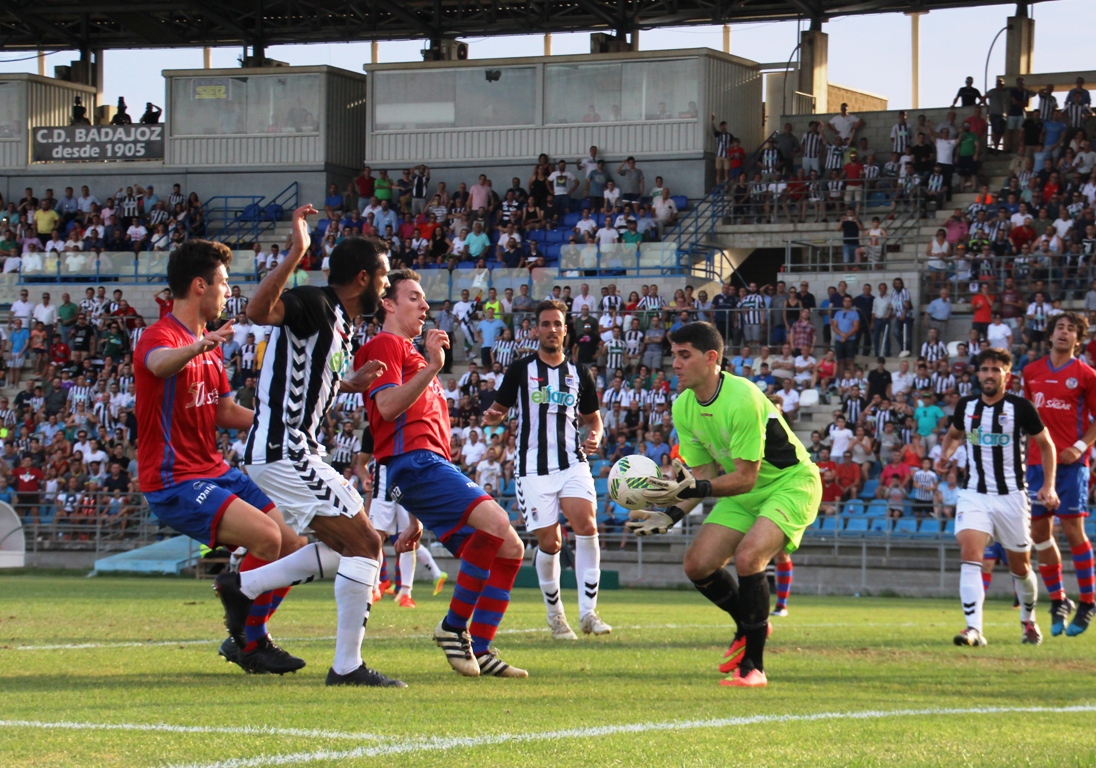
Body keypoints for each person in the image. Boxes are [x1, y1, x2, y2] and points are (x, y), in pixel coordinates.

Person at [214, 204, 404, 688]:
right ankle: (346, 668)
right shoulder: (315, 303)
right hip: (285, 449)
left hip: (295, 449)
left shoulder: (339, 321)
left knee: (349, 550)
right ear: (363, 277)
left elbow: (305, 377)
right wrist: (298, 251)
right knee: (366, 543)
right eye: (383, 277)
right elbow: (257, 311)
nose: (385, 287)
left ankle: (244, 586)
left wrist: (349, 382)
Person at [134, 237, 308, 675]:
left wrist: (284, 427)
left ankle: (248, 638)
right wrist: (199, 347)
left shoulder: (208, 344)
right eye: (223, 283)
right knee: (267, 540)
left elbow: (225, 411)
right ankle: (251, 641)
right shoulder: (162, 336)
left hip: (214, 469)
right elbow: (158, 366)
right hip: (174, 480)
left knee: (293, 544)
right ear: (198, 286)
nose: (228, 291)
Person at [625, 322, 821, 687]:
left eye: (685, 355)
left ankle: (754, 667)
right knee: (697, 564)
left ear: (712, 358)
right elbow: (702, 476)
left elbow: (742, 476)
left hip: (790, 484)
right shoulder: (684, 405)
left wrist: (683, 493)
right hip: (741, 491)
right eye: (674, 355)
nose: (676, 364)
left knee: (749, 557)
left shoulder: (742, 397)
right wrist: (669, 514)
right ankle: (751, 623)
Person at [362, 269, 528, 678]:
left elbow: (421, 429)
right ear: (388, 303)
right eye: (414, 297)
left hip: (427, 467)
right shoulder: (386, 345)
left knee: (511, 548)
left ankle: (482, 648)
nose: (424, 306)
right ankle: (453, 627)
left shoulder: (417, 359)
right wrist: (434, 367)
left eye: (424, 299)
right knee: (496, 521)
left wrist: (415, 519)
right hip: (413, 463)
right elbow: (386, 410)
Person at [483, 300, 611, 640]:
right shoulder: (520, 370)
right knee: (550, 542)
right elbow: (498, 408)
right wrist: (493, 417)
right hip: (532, 468)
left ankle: (589, 613)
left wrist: (595, 434)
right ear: (536, 330)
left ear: (566, 330)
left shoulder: (579, 373)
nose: (552, 329)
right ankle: (556, 617)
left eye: (557, 323)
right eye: (545, 324)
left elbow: (592, 418)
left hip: (572, 461)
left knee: (587, 525)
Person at [935, 347, 1058, 648]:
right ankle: (973, 629)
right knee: (970, 554)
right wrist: (944, 456)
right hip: (974, 493)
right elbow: (953, 435)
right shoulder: (966, 406)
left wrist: (1049, 485)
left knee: (1021, 568)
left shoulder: (1021, 408)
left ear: (1007, 375)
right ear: (977, 374)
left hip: (1012, 498)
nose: (989, 375)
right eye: (984, 369)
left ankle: (1028, 620)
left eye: (995, 370)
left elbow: (1047, 445)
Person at [1022, 313, 1096, 637]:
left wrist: (1079, 446)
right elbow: (1024, 418)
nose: (1064, 334)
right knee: (1038, 533)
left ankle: (1089, 603)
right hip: (1036, 464)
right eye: (1059, 328)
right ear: (1050, 336)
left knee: (1071, 528)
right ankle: (1058, 600)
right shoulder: (1030, 372)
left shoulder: (1086, 374)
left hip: (1071, 464)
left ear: (1078, 340)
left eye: (1071, 330)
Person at [360, 425, 448, 608]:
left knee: (410, 543)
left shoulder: (408, 425)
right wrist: (364, 479)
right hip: (380, 493)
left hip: (405, 491)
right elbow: (361, 464)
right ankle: (375, 587)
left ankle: (406, 593)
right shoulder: (371, 429)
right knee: (374, 540)